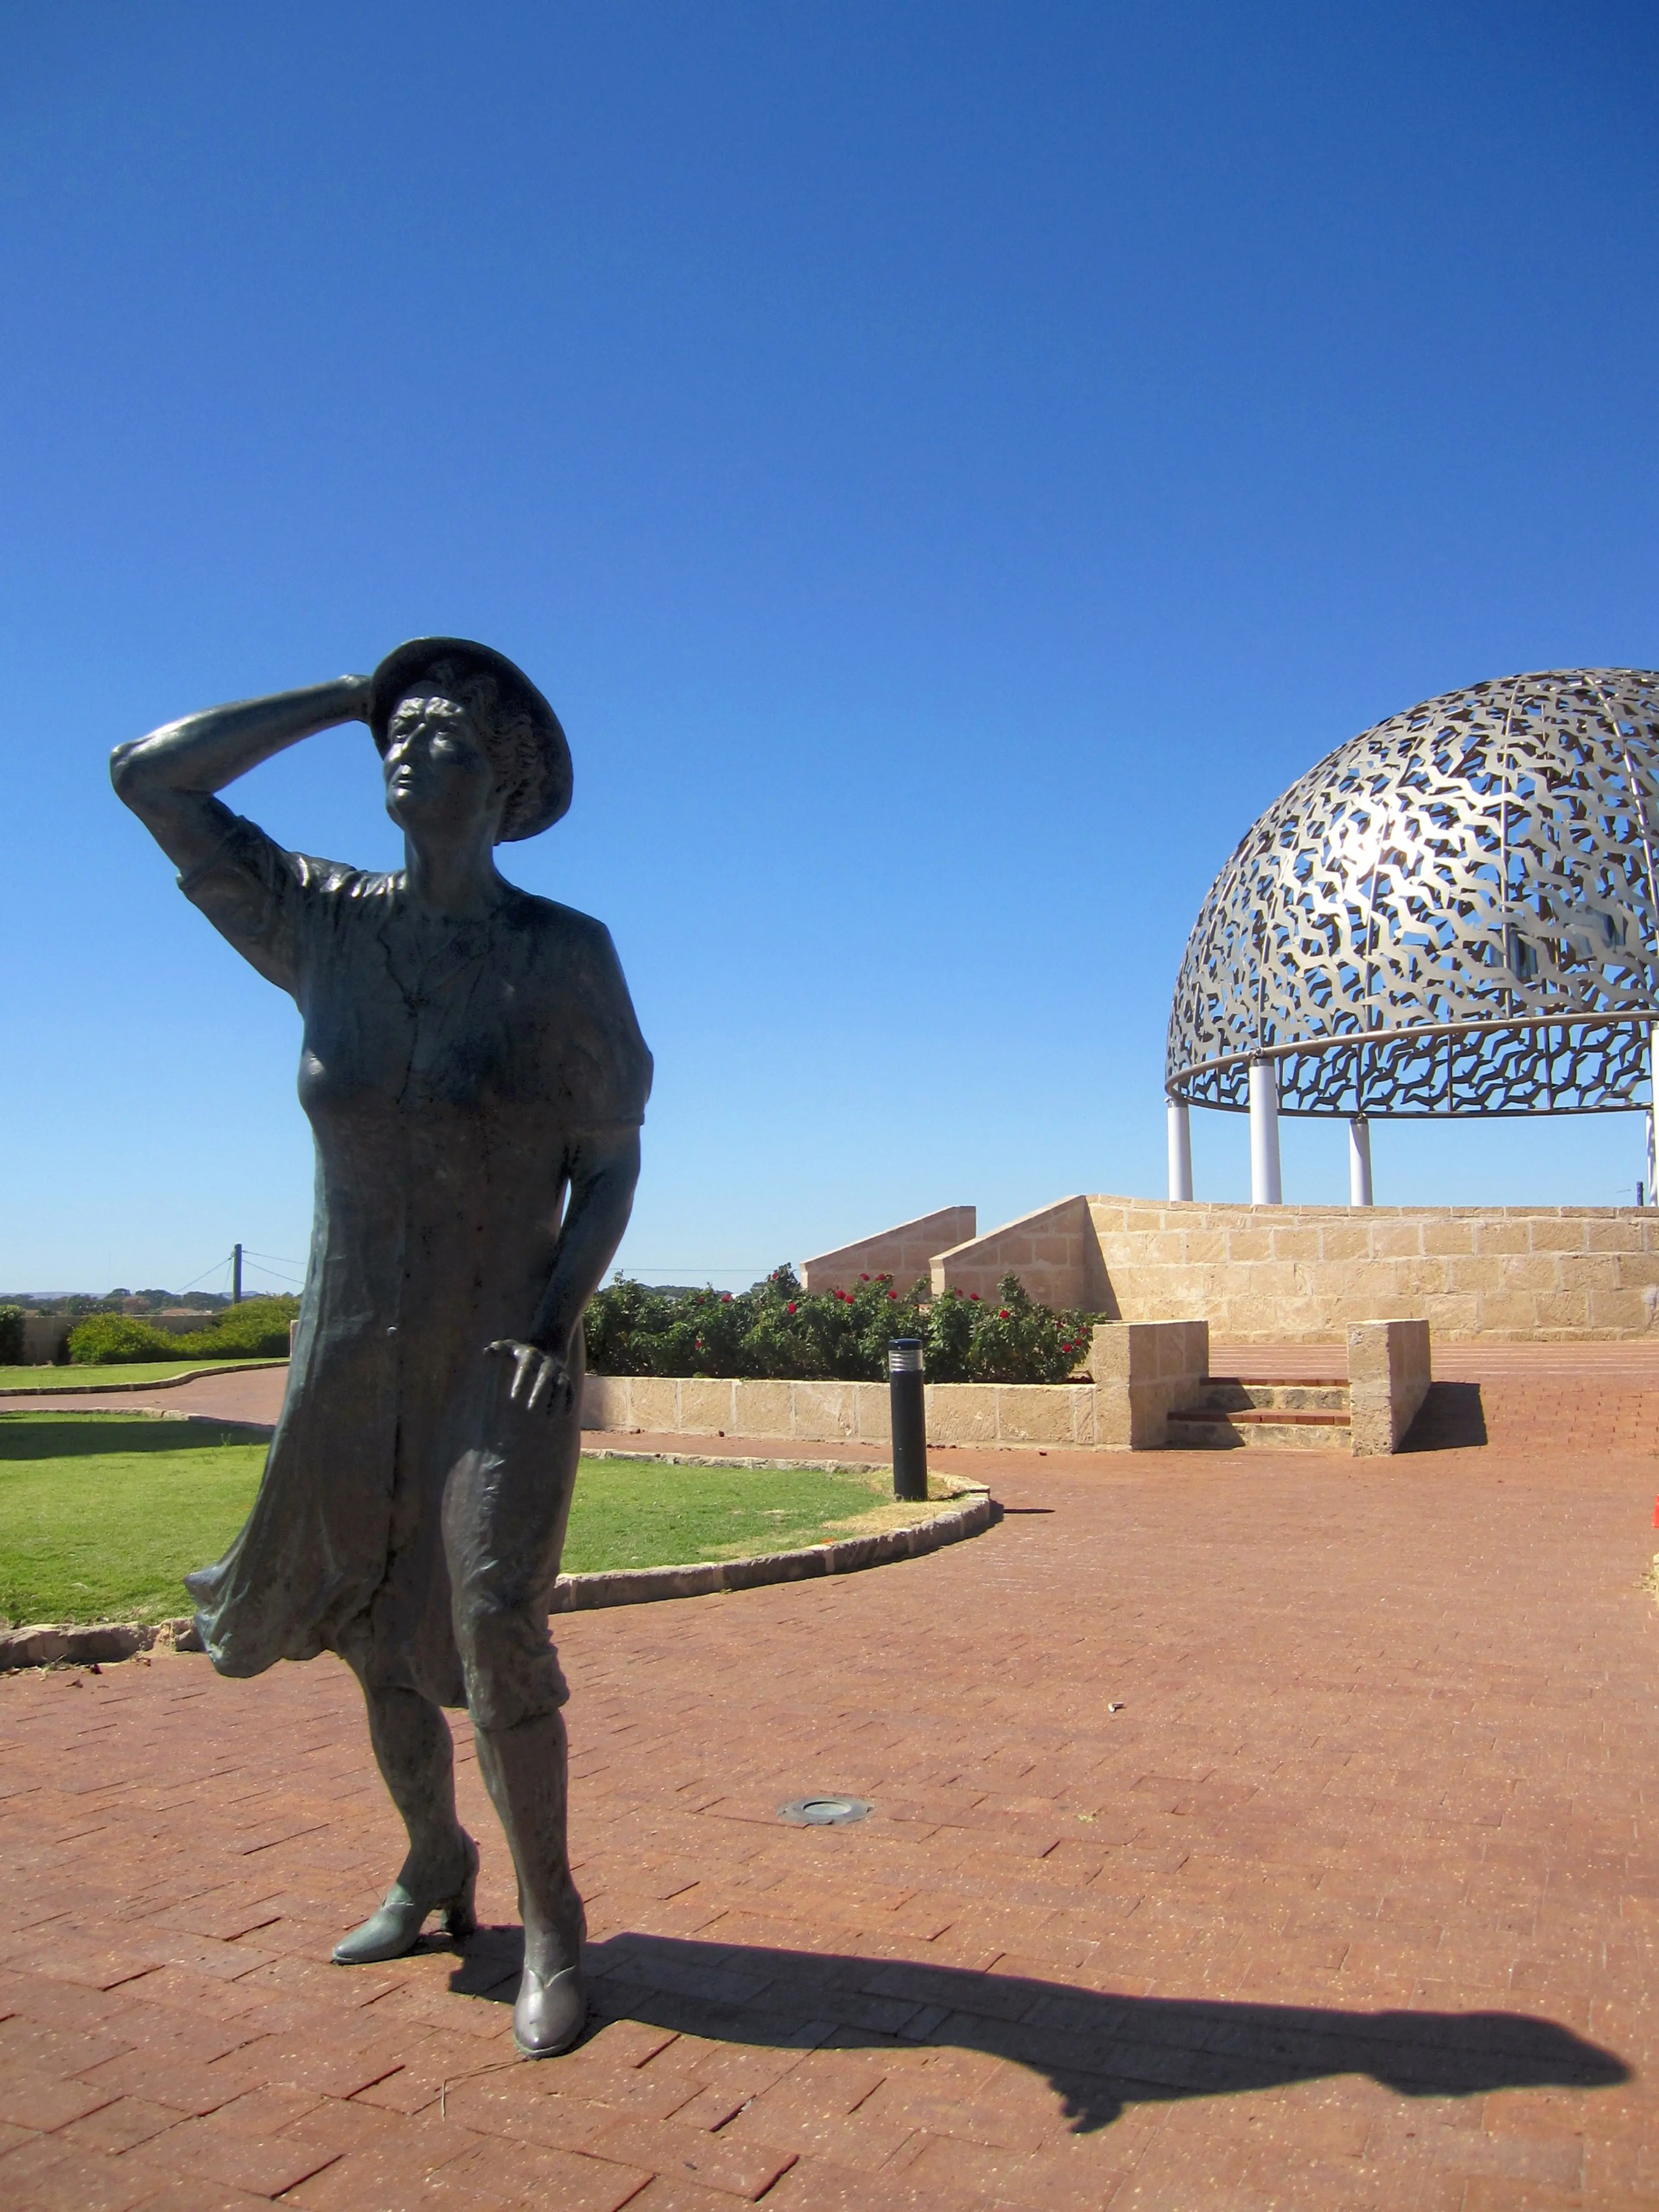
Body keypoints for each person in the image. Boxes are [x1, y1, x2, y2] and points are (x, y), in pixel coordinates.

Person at [111, 639, 651, 2059]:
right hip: (350, 1348)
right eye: (398, 737)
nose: (413, 754)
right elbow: (147, 778)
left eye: (450, 740)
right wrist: (342, 697)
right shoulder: (320, 926)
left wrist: (556, 1322)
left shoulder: (562, 955)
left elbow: (607, 1165)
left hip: (503, 1350)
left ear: (508, 784)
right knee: (365, 1620)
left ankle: (553, 1924)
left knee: (488, 1612)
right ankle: (433, 1866)